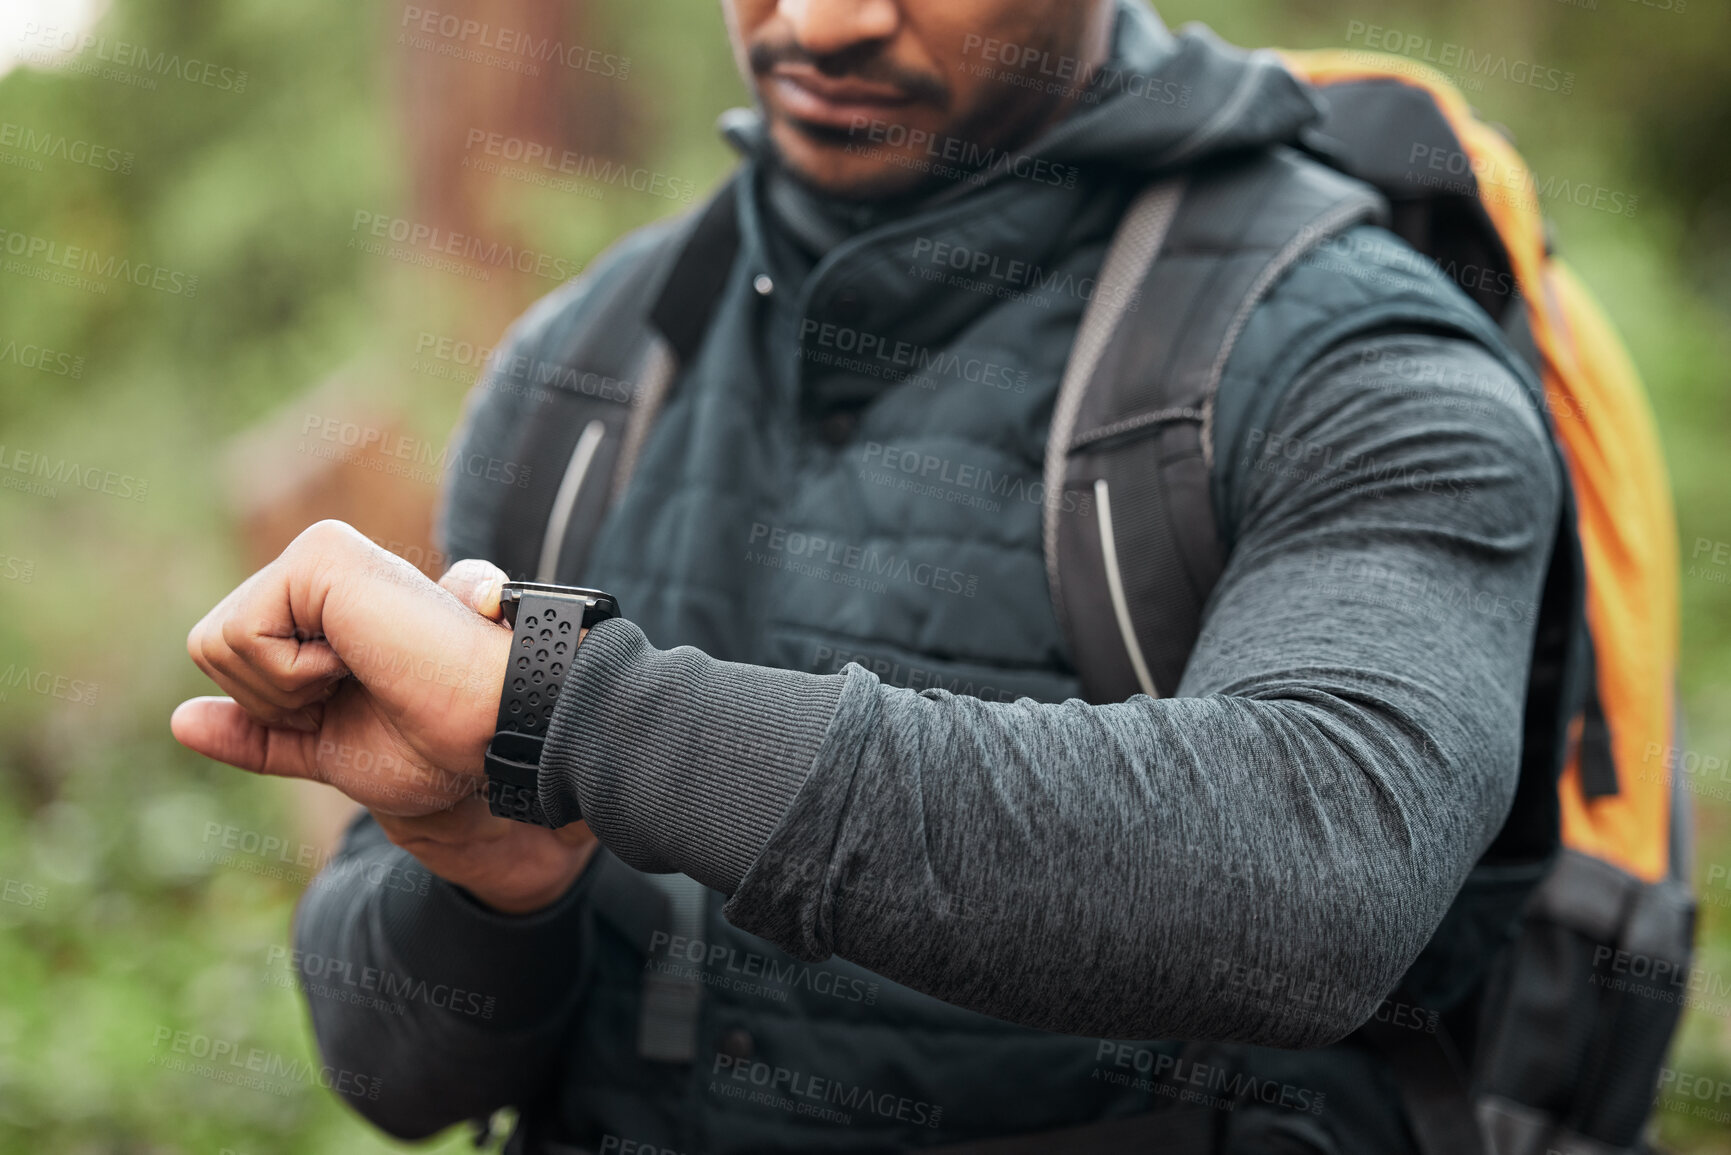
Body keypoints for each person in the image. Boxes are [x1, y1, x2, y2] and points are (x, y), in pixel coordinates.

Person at [172, 0, 1567, 1151]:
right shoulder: (583, 373)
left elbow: (1319, 884)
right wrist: (486, 877)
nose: (824, 22)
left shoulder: (1352, 352)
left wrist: (570, 713)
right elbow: (394, 1075)